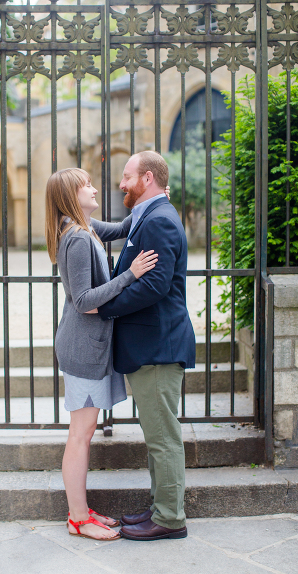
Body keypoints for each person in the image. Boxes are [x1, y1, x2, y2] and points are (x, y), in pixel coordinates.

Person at [45, 168, 159, 541]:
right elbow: (84, 301)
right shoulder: (78, 238)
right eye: (87, 185)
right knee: (80, 435)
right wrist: (130, 274)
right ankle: (78, 518)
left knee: (85, 431)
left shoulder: (87, 227)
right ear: (71, 196)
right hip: (82, 349)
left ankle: (81, 511)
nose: (95, 189)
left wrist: (150, 195)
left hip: (87, 346)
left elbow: (125, 227)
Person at [96, 151, 196, 541]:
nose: (121, 183)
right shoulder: (148, 214)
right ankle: (160, 507)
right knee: (157, 437)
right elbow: (116, 230)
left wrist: (104, 307)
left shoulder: (160, 221)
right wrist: (71, 214)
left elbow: (155, 286)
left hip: (158, 346)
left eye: (127, 176)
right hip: (152, 345)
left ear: (148, 178)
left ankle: (170, 518)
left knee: (163, 438)